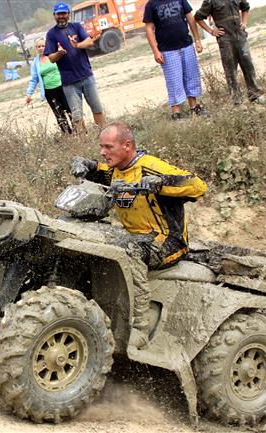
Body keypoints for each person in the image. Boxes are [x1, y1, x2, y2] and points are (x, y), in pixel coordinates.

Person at [70, 122, 207, 347]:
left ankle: (141, 326)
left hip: (167, 241)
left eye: (108, 147)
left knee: (130, 252)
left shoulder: (151, 167)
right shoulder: (116, 170)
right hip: (135, 236)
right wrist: (82, 163)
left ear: (127, 146)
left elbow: (198, 186)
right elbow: (99, 170)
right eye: (101, 147)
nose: (103, 152)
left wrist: (161, 183)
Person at [144, 0, 210, 120]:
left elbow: (190, 18)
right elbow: (149, 29)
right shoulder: (151, 4)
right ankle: (176, 114)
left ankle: (194, 107)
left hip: (186, 45)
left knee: (191, 76)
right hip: (167, 50)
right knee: (174, 81)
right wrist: (156, 51)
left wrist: (197, 40)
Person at [44, 2, 105, 132]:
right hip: (69, 82)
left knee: (97, 108)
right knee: (77, 117)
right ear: (54, 15)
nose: (61, 16)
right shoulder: (51, 34)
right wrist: (59, 53)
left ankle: (104, 135)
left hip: (86, 76)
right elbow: (51, 58)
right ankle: (84, 144)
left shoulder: (77, 27)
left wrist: (77, 45)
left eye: (64, 13)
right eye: (58, 14)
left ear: (69, 14)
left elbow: (89, 42)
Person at [194, 0, 263, 105]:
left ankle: (255, 94)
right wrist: (212, 31)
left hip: (240, 36)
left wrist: (244, 23)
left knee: (248, 64)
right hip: (225, 39)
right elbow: (198, 17)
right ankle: (236, 100)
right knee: (230, 70)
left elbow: (245, 7)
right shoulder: (210, 1)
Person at [25, 38, 73, 134]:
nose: (41, 48)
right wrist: (29, 94)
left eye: (43, 46)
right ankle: (68, 135)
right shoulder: (35, 63)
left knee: (69, 109)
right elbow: (34, 79)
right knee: (59, 114)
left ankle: (78, 131)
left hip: (62, 87)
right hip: (49, 91)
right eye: (39, 46)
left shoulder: (54, 55)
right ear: (36, 48)